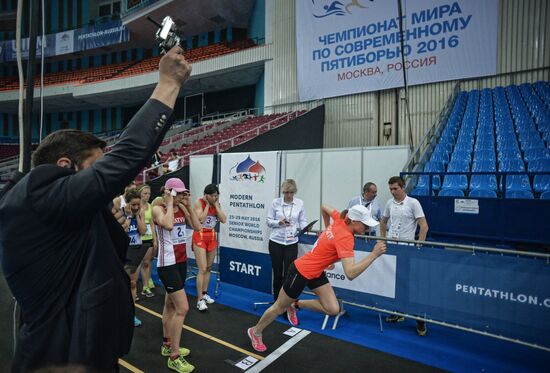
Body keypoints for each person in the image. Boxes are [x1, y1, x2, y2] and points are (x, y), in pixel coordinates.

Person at [0, 45, 192, 372]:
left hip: (85, 353)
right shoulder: (37, 194)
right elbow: (123, 161)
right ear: (66, 166)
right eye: (95, 167)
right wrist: (169, 84)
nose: (102, 183)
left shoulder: (58, 209)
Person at [247, 204, 386, 352]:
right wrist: (373, 255)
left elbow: (324, 207)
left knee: (333, 309)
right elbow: (350, 274)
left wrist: (327, 232)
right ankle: (255, 331)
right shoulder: (346, 237)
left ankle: (295, 305)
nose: (367, 228)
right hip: (300, 271)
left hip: (317, 271)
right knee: (279, 307)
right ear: (353, 221)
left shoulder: (341, 218)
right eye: (365, 225)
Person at [153, 177, 201, 373]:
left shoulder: (181, 208)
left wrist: (188, 207)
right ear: (170, 192)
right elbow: (168, 225)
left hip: (181, 262)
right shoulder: (159, 208)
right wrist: (171, 203)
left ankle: (167, 345)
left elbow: (198, 227)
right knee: (183, 308)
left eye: (184, 193)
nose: (182, 195)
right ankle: (174, 356)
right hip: (167, 264)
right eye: (179, 192)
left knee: (170, 305)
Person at [379, 176, 429, 336]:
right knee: (395, 283)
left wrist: (418, 247)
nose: (393, 192)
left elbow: (424, 226)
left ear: (403, 188)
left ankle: (420, 320)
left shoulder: (413, 203)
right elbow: (383, 222)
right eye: (390, 189)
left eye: (395, 188)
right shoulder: (389, 203)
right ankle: (398, 313)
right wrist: (382, 239)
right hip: (392, 250)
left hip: (408, 251)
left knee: (411, 286)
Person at [265, 179, 308, 326]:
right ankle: (277, 304)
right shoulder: (275, 203)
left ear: (294, 192)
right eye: (286, 192)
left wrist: (305, 227)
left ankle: (286, 305)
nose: (288, 195)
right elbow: (268, 221)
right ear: (282, 192)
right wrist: (279, 223)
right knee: (277, 274)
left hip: (291, 242)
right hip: (276, 241)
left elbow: (302, 220)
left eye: (291, 192)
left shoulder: (300, 203)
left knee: (288, 275)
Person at [192, 184, 227, 311]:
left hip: (211, 236)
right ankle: (199, 299)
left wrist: (216, 206)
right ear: (206, 195)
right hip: (200, 235)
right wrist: (207, 205)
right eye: (212, 196)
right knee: (201, 269)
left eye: (216, 196)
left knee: (208, 267)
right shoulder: (198, 203)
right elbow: (200, 219)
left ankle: (205, 293)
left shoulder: (216, 204)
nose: (214, 198)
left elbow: (223, 219)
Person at [121, 189, 147, 327]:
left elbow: (142, 231)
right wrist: (130, 216)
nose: (136, 207)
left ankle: (131, 314)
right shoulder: (121, 213)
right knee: (121, 285)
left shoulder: (140, 213)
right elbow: (123, 229)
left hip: (135, 250)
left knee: (133, 284)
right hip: (124, 252)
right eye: (133, 205)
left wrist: (137, 216)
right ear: (127, 203)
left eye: (138, 205)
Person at [137, 184, 158, 298]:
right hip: (138, 238)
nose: (147, 196)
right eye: (145, 193)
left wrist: (155, 240)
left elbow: (152, 224)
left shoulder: (150, 206)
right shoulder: (135, 206)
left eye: (149, 193)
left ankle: (146, 287)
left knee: (147, 262)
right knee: (138, 263)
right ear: (139, 194)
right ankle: (135, 287)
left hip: (149, 237)